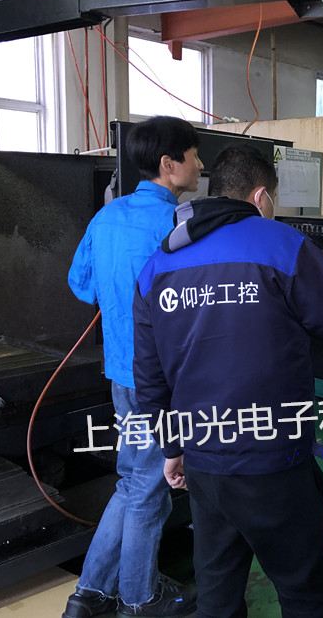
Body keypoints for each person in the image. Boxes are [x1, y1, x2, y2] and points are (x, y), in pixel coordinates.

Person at [132, 144, 323, 618]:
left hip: (203, 464)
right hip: (275, 463)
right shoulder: (283, 245)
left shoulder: (158, 265)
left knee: (217, 596)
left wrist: (173, 448)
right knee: (303, 593)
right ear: (262, 196)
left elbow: (150, 379)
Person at [63, 116, 201, 618]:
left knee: (134, 481)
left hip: (121, 372)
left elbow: (81, 285)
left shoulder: (107, 217)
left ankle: (89, 594)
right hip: (161, 380)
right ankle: (139, 600)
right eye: (194, 155)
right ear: (169, 164)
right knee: (148, 490)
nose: (200, 165)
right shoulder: (179, 225)